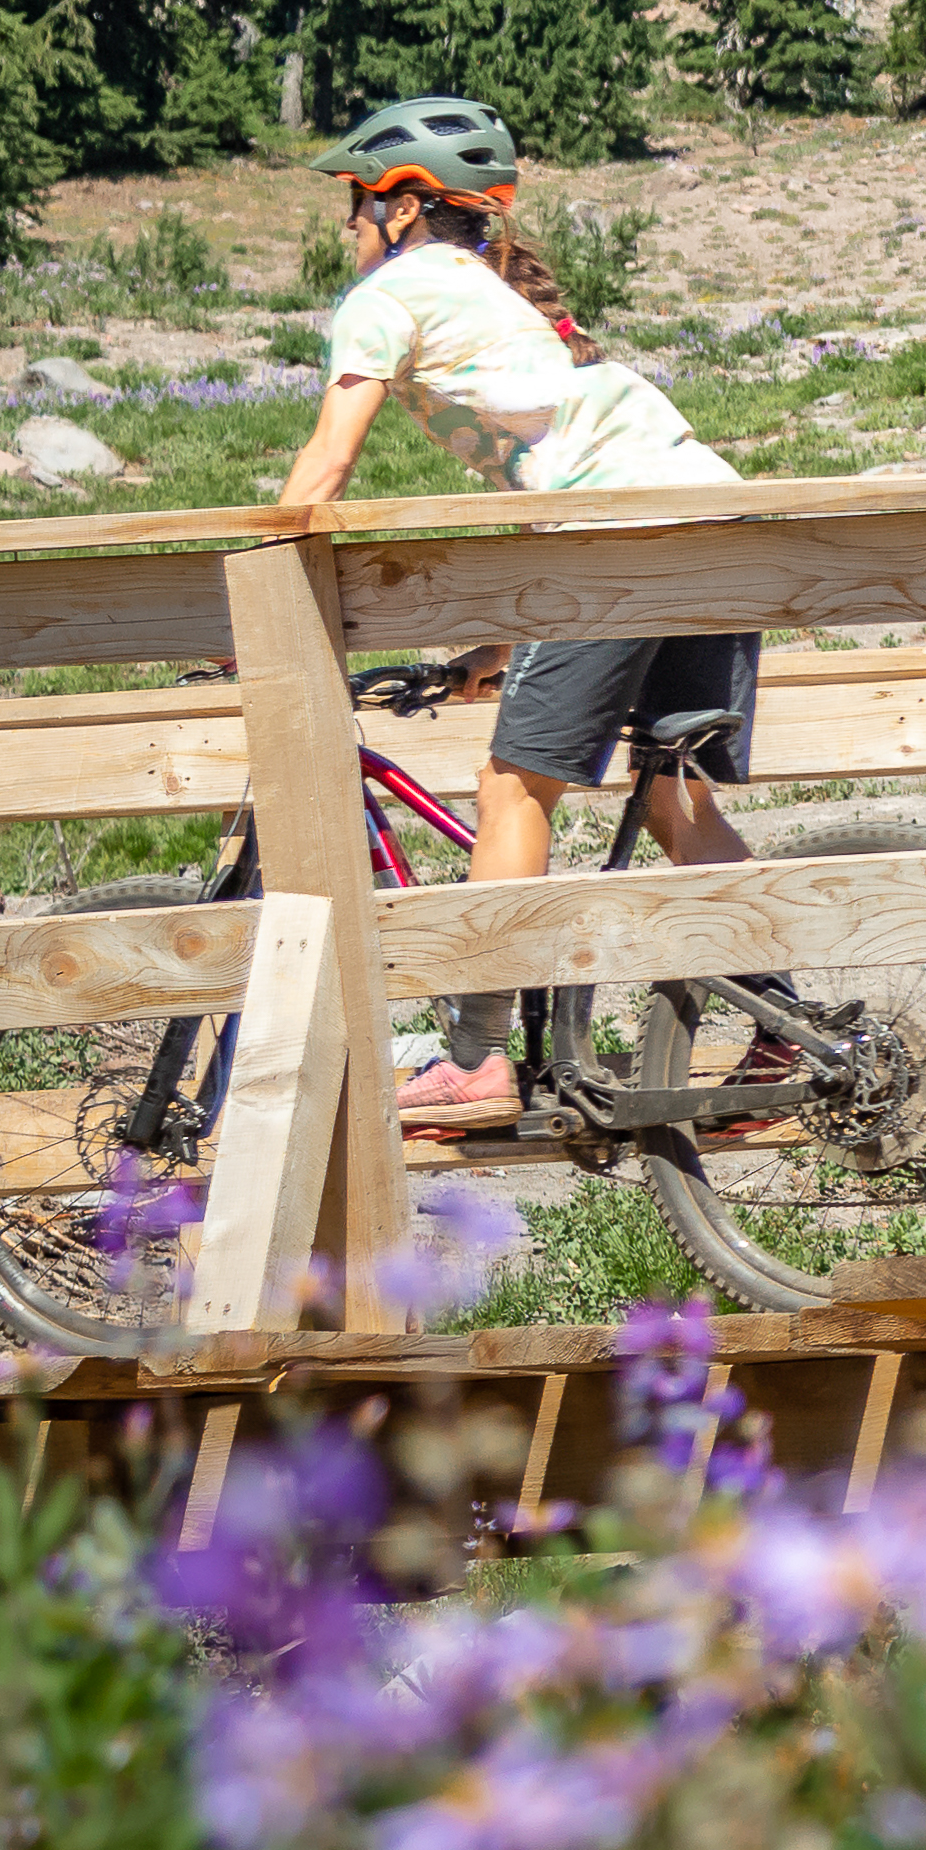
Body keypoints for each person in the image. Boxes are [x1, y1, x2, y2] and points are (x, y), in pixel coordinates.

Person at [274, 94, 761, 1130]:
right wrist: (495, 647)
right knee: (675, 798)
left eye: (354, 204)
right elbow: (560, 469)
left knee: (511, 786)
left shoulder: (392, 293)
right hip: (705, 512)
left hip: (614, 537)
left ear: (402, 207)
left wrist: (243, 602)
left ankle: (476, 1056)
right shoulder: (497, 299)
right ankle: (783, 1027)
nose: (345, 227)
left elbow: (324, 465)